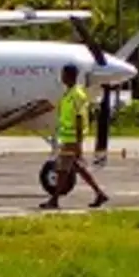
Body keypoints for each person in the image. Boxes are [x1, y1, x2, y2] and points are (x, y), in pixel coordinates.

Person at [41, 64, 109, 210]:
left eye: (63, 74)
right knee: (77, 168)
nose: (62, 77)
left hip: (72, 139)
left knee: (62, 170)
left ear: (69, 76)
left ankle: (54, 200)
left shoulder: (77, 95)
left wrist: (78, 143)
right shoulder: (69, 93)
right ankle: (99, 194)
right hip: (68, 137)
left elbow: (79, 118)